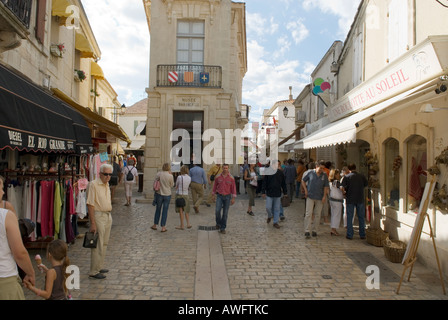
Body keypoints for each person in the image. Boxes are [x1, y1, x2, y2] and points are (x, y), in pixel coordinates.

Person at [0, 176, 35, 299]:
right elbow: (19, 252)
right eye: (0, 187)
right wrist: (30, 272)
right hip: (4, 278)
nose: (4, 192)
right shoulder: (5, 216)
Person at [86, 164, 113, 279]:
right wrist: (92, 223)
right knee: (97, 243)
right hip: (98, 216)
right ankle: (94, 270)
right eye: (106, 174)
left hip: (107, 215)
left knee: (104, 243)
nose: (108, 176)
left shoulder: (106, 184)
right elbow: (90, 204)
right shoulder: (93, 185)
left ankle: (99, 266)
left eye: (110, 174)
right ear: (100, 174)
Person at [301, 160, 329, 238]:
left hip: (320, 197)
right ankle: (307, 230)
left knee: (317, 214)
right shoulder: (310, 173)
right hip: (310, 196)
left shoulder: (324, 175)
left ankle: (315, 230)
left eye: (323, 168)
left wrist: (324, 196)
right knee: (308, 213)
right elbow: (303, 181)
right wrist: (305, 190)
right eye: (320, 168)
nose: (321, 170)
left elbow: (326, 186)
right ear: (316, 166)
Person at [341, 163, 368, 240]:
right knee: (361, 217)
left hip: (350, 199)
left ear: (349, 169)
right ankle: (362, 234)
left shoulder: (346, 177)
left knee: (350, 216)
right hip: (360, 198)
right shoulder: (361, 176)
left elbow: (343, 187)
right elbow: (366, 184)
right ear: (355, 168)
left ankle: (350, 234)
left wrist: (344, 193)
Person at [262, 160, 288, 229]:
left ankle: (275, 222)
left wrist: (285, 192)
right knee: (268, 207)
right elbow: (264, 182)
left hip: (277, 193)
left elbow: (283, 183)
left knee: (277, 209)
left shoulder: (280, 173)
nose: (277, 166)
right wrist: (263, 192)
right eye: (276, 164)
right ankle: (270, 216)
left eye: (278, 164)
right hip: (269, 193)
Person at [212, 164, 237, 234]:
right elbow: (214, 186)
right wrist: (213, 194)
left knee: (225, 213)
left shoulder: (231, 178)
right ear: (222, 168)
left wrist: (233, 198)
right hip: (219, 196)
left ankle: (223, 228)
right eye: (224, 168)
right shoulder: (218, 177)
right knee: (217, 210)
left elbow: (233, 188)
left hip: (227, 197)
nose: (225, 169)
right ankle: (218, 223)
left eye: (226, 168)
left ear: (228, 169)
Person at [152, 163, 174, 232]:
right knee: (165, 210)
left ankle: (155, 225)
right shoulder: (170, 176)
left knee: (158, 209)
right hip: (167, 194)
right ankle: (163, 227)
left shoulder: (159, 174)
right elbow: (172, 185)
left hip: (159, 193)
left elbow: (155, 182)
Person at [175, 165, 192, 230]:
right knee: (186, 210)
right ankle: (188, 223)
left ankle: (182, 225)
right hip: (186, 195)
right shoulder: (189, 178)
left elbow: (176, 186)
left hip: (180, 194)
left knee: (181, 210)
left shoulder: (179, 177)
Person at [329, 169, 344, 236]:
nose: (339, 175)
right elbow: (341, 188)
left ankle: (333, 228)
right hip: (337, 200)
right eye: (338, 174)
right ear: (335, 175)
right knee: (336, 215)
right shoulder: (336, 182)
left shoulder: (330, 182)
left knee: (333, 214)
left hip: (332, 200)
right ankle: (334, 229)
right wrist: (344, 192)